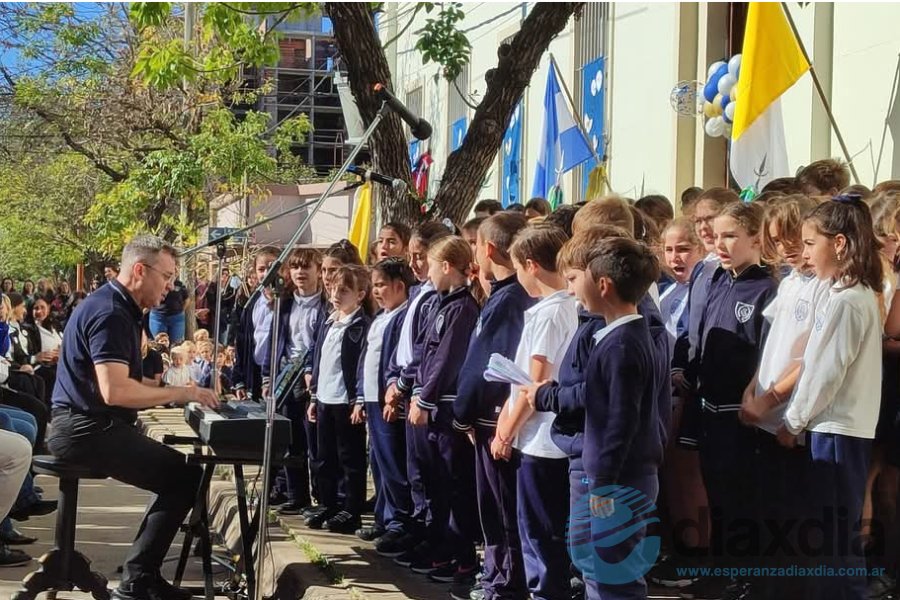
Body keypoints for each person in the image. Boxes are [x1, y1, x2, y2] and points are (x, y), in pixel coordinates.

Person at [46, 234, 219, 600]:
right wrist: (183, 393)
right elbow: (116, 392)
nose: (170, 287)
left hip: (89, 424)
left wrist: (172, 388)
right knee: (184, 476)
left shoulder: (117, 306)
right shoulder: (110, 312)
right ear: (140, 270)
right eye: (167, 276)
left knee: (179, 470)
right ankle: (138, 581)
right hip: (84, 430)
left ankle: (141, 575)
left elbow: (124, 381)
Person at [780, 198, 884, 600]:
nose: (804, 253)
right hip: (831, 428)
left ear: (838, 243)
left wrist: (793, 422)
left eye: (810, 243)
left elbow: (825, 374)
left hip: (839, 430)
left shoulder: (850, 300)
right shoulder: (838, 293)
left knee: (837, 539)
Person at [677, 202, 778, 600]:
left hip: (743, 416)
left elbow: (767, 354)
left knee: (743, 499)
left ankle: (746, 576)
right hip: (709, 408)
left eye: (731, 236)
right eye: (717, 236)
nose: (720, 244)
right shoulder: (718, 278)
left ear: (756, 238)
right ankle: (720, 570)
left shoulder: (767, 288)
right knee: (716, 496)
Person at [735, 194, 828, 598]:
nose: (788, 249)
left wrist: (770, 400)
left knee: (793, 520)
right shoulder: (789, 282)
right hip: (764, 415)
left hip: (792, 422)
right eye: (778, 240)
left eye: (795, 239)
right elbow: (772, 345)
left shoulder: (825, 287)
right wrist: (751, 389)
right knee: (766, 513)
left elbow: (808, 359)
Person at [577, 237, 665, 600]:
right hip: (622, 478)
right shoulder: (620, 337)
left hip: (622, 481)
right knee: (602, 571)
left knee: (616, 577)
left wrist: (605, 481)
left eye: (582, 277)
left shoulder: (624, 346)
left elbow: (620, 421)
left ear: (603, 285)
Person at [453, 212, 534, 600]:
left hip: (496, 420)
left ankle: (505, 581)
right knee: (494, 507)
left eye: (474, 245)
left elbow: (486, 363)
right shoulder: (504, 294)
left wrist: (464, 412)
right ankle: (497, 574)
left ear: (487, 249)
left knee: (501, 508)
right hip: (489, 419)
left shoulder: (510, 299)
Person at [497, 224, 579, 600]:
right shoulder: (559, 307)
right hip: (545, 437)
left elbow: (536, 382)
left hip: (542, 441)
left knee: (539, 530)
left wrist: (506, 432)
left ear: (530, 265)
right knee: (542, 529)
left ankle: (546, 592)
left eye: (516, 267)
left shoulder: (552, 312)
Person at [407, 236, 480, 587]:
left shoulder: (462, 308)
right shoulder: (441, 304)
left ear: (447, 267)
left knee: (455, 486)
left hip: (447, 410)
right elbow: (425, 352)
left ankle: (463, 558)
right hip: (434, 408)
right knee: (437, 484)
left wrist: (425, 399)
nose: (428, 272)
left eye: (432, 265)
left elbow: (447, 359)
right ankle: (445, 547)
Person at [384, 221, 451, 562]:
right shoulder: (419, 293)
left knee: (430, 473)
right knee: (415, 471)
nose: (413, 264)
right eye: (410, 256)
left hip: (423, 392)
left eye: (421, 256)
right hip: (407, 388)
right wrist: (395, 379)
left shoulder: (440, 300)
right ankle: (419, 527)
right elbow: (405, 345)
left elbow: (428, 351)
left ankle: (434, 536)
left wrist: (406, 382)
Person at [262, 248, 328, 517]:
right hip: (287, 377)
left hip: (313, 377)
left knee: (316, 441)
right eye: (295, 267)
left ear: (317, 270)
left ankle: (322, 497)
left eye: (306, 267)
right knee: (291, 440)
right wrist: (268, 376)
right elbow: (274, 341)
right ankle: (296, 494)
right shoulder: (285, 303)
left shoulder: (325, 304)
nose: (300, 272)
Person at [306, 265, 370, 533]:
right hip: (325, 398)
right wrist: (313, 396)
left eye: (344, 290)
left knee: (350, 458)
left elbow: (361, 364)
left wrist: (359, 399)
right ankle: (328, 502)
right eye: (332, 288)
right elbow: (320, 360)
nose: (336, 294)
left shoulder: (360, 326)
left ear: (360, 294)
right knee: (324, 456)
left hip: (346, 400)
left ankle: (350, 508)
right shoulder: (329, 321)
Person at [355, 258, 415, 544]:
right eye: (373, 286)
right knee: (377, 460)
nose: (376, 291)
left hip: (388, 400)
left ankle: (399, 520)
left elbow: (399, 361)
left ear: (399, 286)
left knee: (393, 459)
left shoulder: (403, 317)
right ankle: (383, 515)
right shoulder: (380, 317)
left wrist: (395, 395)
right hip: (370, 397)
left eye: (381, 285)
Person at [233, 247, 280, 401]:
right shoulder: (252, 303)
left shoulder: (286, 302)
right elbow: (242, 341)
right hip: (255, 371)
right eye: (261, 269)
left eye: (271, 267)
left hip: (278, 373)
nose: (266, 273)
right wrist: (239, 379)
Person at [148, 276, 189, 345]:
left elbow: (187, 299)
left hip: (176, 318)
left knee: (176, 344)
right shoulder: (157, 283)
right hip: (158, 317)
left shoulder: (179, 285)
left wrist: (181, 310)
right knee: (160, 343)